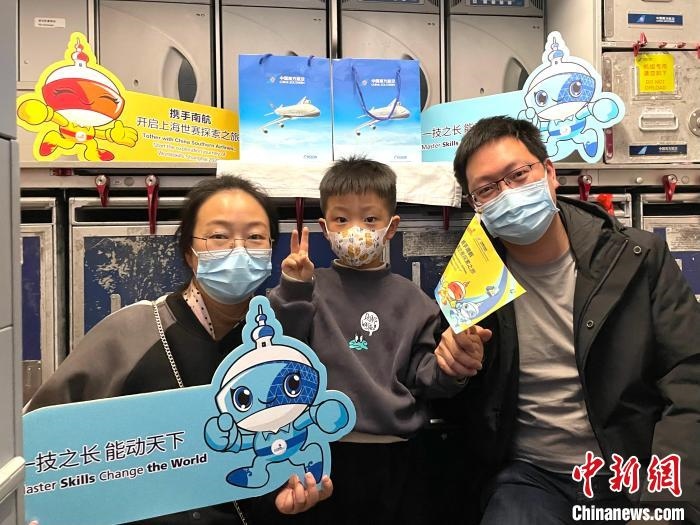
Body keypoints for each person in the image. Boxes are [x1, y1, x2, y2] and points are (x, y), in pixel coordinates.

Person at [26, 176, 333, 524]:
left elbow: (275, 459)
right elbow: (41, 437)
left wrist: (288, 498)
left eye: (255, 237)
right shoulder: (131, 331)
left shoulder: (277, 348)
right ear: (189, 251)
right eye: (219, 236)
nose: (239, 249)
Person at [438, 115, 700, 524]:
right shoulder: (470, 281)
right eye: (487, 189)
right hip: (532, 480)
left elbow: (689, 382)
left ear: (550, 173)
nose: (508, 194)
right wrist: (453, 370)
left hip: (635, 472)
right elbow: (452, 401)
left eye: (518, 175)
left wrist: (664, 503)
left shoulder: (637, 258)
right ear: (476, 206)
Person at [268, 156, 488, 524]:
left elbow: (427, 377)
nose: (355, 230)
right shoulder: (310, 289)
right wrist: (294, 288)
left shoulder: (415, 301)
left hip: (398, 457)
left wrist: (455, 368)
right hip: (322, 452)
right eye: (341, 219)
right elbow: (283, 354)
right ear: (324, 227)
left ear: (390, 228)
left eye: (370, 219)